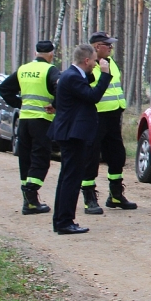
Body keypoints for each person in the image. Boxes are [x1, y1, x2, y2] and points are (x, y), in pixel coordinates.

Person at [48, 43, 111, 235]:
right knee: (71, 178)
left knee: (69, 177)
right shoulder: (73, 77)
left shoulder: (71, 76)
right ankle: (65, 221)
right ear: (86, 60)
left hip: (71, 132)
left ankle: (62, 220)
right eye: (93, 60)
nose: (94, 64)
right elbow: (93, 96)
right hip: (72, 134)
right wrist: (105, 74)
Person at [0, 40, 60, 215]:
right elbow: (60, 88)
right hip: (41, 120)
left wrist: (19, 103)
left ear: (35, 53)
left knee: (25, 159)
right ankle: (31, 195)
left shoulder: (23, 69)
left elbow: (4, 88)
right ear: (51, 54)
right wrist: (55, 105)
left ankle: (29, 202)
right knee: (40, 158)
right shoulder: (51, 70)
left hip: (24, 120)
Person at [81, 31, 136, 213]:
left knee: (117, 156)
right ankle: (89, 197)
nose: (111, 47)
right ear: (97, 47)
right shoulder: (88, 66)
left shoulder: (111, 63)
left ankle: (115, 195)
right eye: (107, 45)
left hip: (114, 116)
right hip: (96, 117)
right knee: (91, 158)